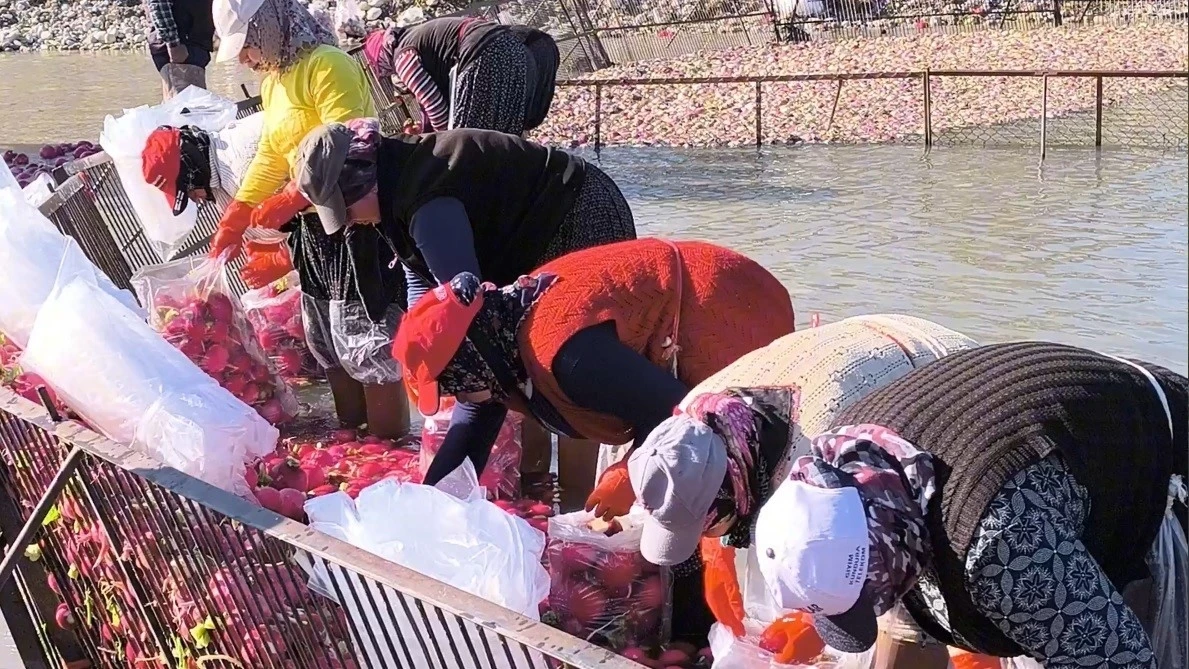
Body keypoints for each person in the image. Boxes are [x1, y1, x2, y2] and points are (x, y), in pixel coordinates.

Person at [392, 238, 795, 642]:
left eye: (456, 384)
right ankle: (692, 629)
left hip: (727, 310)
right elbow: (472, 432)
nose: (460, 396)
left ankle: (701, 634)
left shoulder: (566, 356)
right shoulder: (498, 333)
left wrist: (626, 475)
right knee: (676, 498)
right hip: (684, 324)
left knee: (703, 485)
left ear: (471, 362)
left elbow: (680, 416)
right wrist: (426, 515)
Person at [748, 342, 1187, 668]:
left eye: (868, 597)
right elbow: (912, 618)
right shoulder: (857, 468)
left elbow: (1120, 659)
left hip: (1161, 448)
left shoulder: (999, 549)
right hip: (1069, 426)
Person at [617, 314, 977, 651]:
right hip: (869, 342)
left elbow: (888, 543)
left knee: (922, 597)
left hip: (948, 378)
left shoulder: (821, 458)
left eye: (706, 525)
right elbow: (707, 490)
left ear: (732, 494)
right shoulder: (697, 418)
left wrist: (821, 620)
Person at [207, 0, 408, 438]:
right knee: (325, 338)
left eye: (247, 46)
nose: (245, 59)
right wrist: (238, 212)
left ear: (269, 27)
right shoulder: (275, 82)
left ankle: (389, 442)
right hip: (312, 231)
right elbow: (271, 155)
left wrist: (293, 197)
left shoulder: (327, 64)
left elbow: (350, 143)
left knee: (368, 339)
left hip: (356, 221)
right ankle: (351, 435)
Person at [251, 120, 637, 310]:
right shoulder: (393, 174)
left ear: (366, 184)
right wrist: (421, 328)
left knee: (573, 346)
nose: (349, 221)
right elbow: (422, 279)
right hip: (538, 218)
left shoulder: (426, 203)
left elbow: (463, 296)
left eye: (346, 210)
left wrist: (446, 357)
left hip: (577, 210)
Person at [361, 17, 559, 135]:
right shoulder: (416, 37)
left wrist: (443, 147)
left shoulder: (403, 57)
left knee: (474, 142)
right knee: (506, 133)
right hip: (513, 46)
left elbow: (435, 108)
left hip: (485, 53)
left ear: (380, 55)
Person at [145, 0, 215, 100]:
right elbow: (158, 4)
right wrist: (173, 44)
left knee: (194, 102)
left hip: (193, 43)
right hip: (181, 47)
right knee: (187, 104)